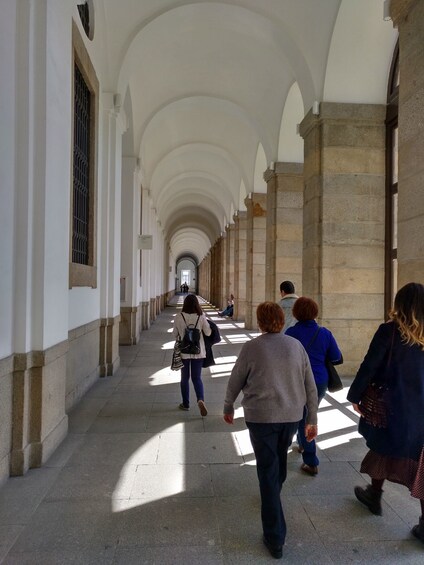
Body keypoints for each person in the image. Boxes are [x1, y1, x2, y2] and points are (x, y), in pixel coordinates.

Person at [223, 301, 318, 559]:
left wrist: (228, 404)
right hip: (290, 417)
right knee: (277, 461)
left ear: (261, 321)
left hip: (260, 417)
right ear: (280, 319)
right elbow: (310, 386)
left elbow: (236, 378)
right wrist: (312, 419)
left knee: (267, 469)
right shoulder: (295, 346)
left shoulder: (252, 347)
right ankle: (273, 496)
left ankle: (275, 537)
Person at [347, 282, 424, 543]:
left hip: (393, 409)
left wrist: (355, 395)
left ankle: (374, 495)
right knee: (417, 460)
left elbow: (370, 365)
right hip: (420, 413)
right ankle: (374, 495)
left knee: (384, 447)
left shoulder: (389, 332)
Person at [286, 297, 342, 476]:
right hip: (319, 381)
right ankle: (303, 445)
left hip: (298, 380)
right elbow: (337, 358)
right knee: (309, 413)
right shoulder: (324, 333)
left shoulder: (291, 333)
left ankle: (311, 461)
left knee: (303, 418)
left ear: (296, 313)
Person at [173, 294, 212, 416]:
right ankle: (200, 399)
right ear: (196, 304)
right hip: (198, 351)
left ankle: (185, 404)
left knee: (184, 378)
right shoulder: (201, 317)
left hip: (184, 352)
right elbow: (208, 332)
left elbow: (175, 334)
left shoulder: (179, 317)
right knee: (197, 378)